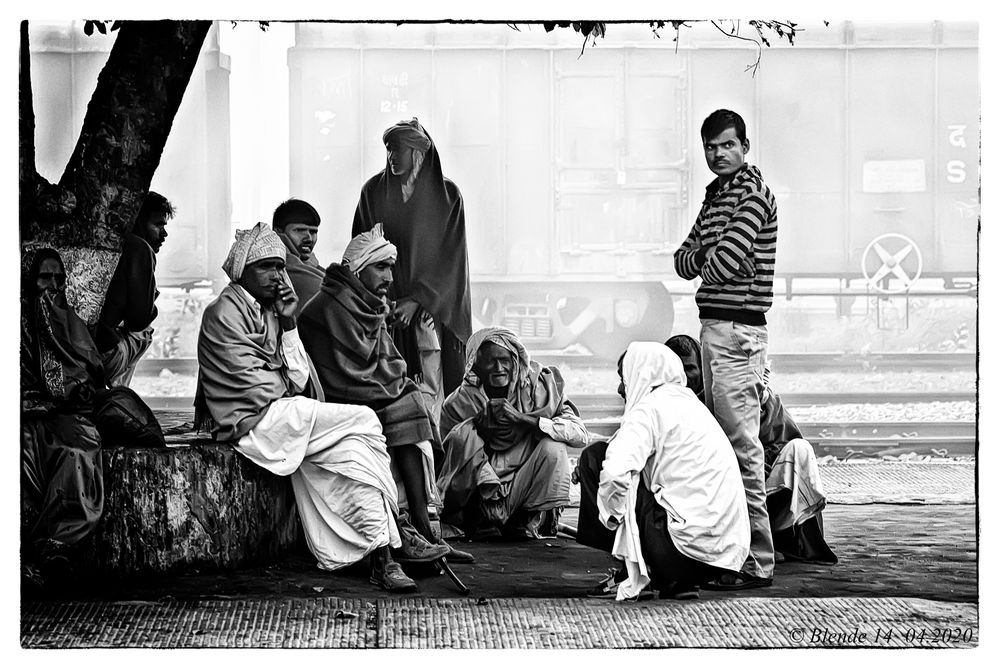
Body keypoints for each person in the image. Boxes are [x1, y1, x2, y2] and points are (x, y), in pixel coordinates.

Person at [195, 223, 448, 593]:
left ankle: (384, 555)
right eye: (268, 267)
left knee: (357, 453)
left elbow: (295, 378)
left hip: (284, 416)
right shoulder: (222, 314)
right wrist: (280, 377)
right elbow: (256, 390)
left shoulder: (273, 312)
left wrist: (289, 323)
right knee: (365, 419)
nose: (279, 275)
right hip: (254, 424)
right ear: (243, 270)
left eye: (281, 267)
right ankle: (401, 533)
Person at [298, 225, 474, 563]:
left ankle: (423, 525)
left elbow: (390, 360)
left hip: (369, 390)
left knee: (413, 402)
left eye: (391, 267)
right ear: (359, 268)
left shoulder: (367, 302)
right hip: (340, 397)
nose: (389, 277)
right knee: (406, 403)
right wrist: (394, 383)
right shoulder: (332, 305)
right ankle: (411, 530)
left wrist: (396, 382)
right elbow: (348, 370)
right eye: (382, 267)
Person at [672, 109, 778, 590]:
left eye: (727, 145)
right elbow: (683, 260)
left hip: (737, 332)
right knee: (724, 447)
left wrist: (704, 259)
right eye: (711, 147)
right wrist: (703, 258)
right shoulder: (718, 196)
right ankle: (731, 550)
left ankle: (755, 560)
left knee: (740, 448)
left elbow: (724, 263)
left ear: (745, 146)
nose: (719, 154)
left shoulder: (752, 194)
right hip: (717, 330)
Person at [574, 343, 750, 601]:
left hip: (680, 551)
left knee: (595, 459)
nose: (621, 388)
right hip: (723, 558)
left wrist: (610, 519)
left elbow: (614, 472)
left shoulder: (649, 408)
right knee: (639, 473)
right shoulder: (692, 406)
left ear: (642, 374)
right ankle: (676, 582)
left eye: (625, 378)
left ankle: (631, 573)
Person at [665, 334, 837, 565]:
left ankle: (796, 541)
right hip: (704, 498)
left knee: (800, 450)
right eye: (678, 369)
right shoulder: (668, 404)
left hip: (753, 486)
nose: (684, 377)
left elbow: (783, 438)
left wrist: (761, 405)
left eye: (690, 369)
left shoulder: (737, 398)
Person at [352, 118, 471, 422]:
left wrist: (417, 300)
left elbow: (452, 260)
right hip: (384, 311)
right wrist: (384, 302)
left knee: (431, 388)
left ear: (418, 153)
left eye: (400, 150)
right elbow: (360, 249)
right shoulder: (373, 192)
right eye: (389, 149)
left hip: (431, 313)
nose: (392, 157)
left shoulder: (448, 196)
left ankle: (434, 455)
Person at [436, 326, 584, 539]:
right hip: (478, 496)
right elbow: (445, 465)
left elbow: (579, 434)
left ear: (516, 361)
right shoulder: (458, 403)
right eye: (490, 361)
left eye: (504, 360)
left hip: (523, 489)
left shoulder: (539, 388)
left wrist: (525, 421)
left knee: (553, 446)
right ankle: (478, 520)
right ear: (475, 365)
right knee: (463, 434)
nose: (498, 368)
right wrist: (480, 433)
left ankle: (523, 521)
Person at [21, 247, 106, 593]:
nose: (52, 286)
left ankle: (56, 544)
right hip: (23, 413)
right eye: (45, 278)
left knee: (80, 448)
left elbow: (90, 373)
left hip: (62, 416)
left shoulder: (69, 321)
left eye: (59, 279)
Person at [95, 191, 173, 387]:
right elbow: (139, 319)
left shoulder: (107, 242)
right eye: (158, 225)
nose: (164, 234)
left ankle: (114, 394)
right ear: (138, 221)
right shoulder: (140, 248)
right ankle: (118, 394)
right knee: (144, 332)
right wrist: (152, 301)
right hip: (104, 355)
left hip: (84, 347)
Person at [273, 197, 325, 310]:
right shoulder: (275, 267)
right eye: (299, 230)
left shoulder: (314, 268)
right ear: (278, 232)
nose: (309, 238)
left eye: (313, 231)